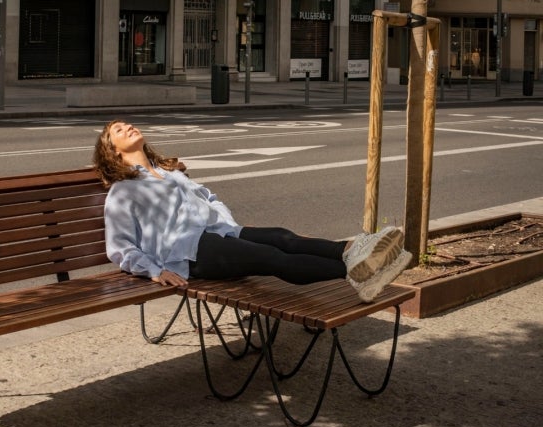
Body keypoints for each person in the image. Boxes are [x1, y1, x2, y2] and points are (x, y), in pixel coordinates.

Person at [92, 119, 412, 302]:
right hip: (189, 252)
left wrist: (229, 226)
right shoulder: (123, 191)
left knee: (283, 237)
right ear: (113, 152)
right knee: (272, 259)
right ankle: (358, 274)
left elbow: (209, 197)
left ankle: (358, 250)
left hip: (220, 235)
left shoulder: (170, 172)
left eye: (127, 124)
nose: (127, 127)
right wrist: (154, 270)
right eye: (118, 130)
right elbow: (119, 247)